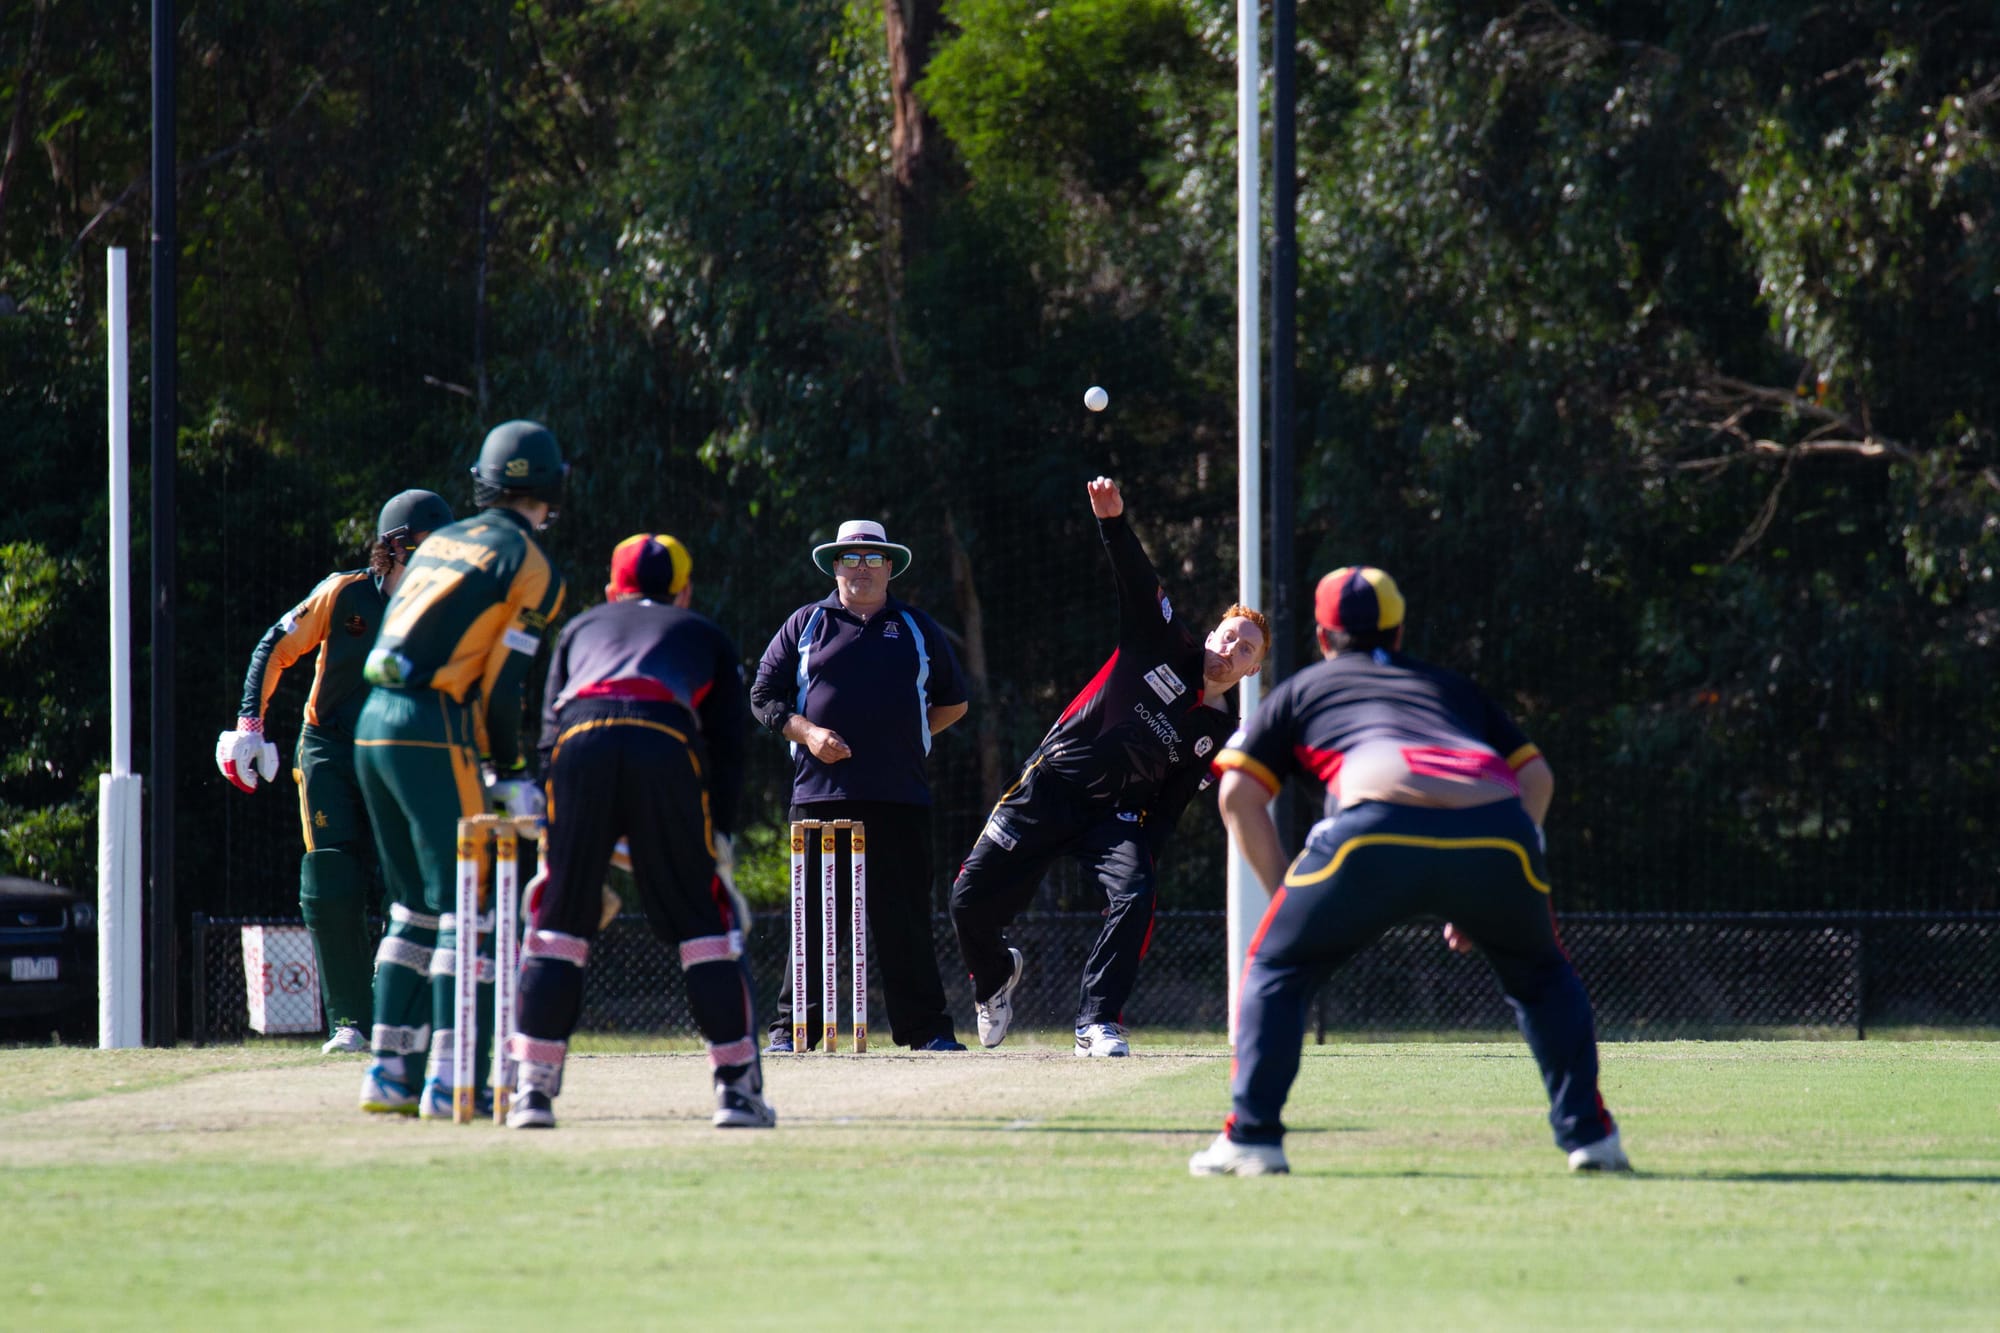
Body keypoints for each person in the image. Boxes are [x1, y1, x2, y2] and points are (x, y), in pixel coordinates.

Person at [1190, 565, 1628, 1176]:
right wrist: (1489, 891)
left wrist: (1285, 895)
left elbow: (1236, 793)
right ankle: (1593, 1139)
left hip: (1375, 828)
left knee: (1278, 967)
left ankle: (1254, 1138)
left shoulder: (1305, 688)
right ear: (1398, 633)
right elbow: (1537, 778)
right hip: (1497, 834)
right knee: (1542, 974)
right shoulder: (1451, 687)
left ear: (1323, 635)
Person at [951, 477, 1268, 1056]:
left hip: (1112, 817)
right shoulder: (1161, 640)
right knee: (966, 901)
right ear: (1211, 633)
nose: (1231, 650)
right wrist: (1113, 521)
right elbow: (1138, 578)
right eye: (1228, 636)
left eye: (1246, 650)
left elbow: (1172, 804)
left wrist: (1143, 857)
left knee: (1137, 895)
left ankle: (1097, 1023)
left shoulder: (1223, 733)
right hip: (1050, 785)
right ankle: (995, 978)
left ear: (1251, 671)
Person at [505, 532, 768, 1129]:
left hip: (579, 741)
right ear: (684, 590)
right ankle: (737, 1093)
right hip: (664, 738)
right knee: (702, 921)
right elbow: (728, 747)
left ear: (611, 589)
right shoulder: (703, 633)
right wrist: (717, 834)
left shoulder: (579, 627)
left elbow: (549, 732)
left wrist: (564, 836)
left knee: (559, 920)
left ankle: (532, 1093)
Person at [352, 420, 568, 1118]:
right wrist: (509, 767)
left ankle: (388, 1070)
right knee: (466, 907)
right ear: (553, 487)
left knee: (412, 904)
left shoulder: (441, 539)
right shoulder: (533, 565)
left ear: (482, 482)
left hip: (370, 724)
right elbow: (505, 684)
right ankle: (451, 1075)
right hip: (433, 727)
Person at [215, 489, 454, 1055]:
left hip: (402, 750)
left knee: (413, 882)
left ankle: (400, 1013)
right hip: (329, 746)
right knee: (331, 872)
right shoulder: (342, 592)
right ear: (392, 548)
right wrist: (251, 723)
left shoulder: (445, 607)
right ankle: (351, 1020)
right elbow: (274, 647)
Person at [749, 518, 968, 1052]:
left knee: (906, 920)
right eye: (851, 558)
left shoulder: (916, 627)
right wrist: (809, 733)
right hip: (820, 794)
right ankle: (793, 1031)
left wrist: (908, 738)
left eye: (873, 558)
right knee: (813, 921)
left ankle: (926, 1032)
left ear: (890, 567)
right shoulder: (805, 624)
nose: (862, 568)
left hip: (900, 795)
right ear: (834, 567)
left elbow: (953, 702)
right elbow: (763, 696)